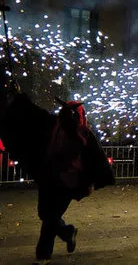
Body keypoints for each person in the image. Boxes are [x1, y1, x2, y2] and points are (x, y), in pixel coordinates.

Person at [2, 93, 115, 264]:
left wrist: (93, 182)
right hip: (49, 178)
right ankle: (67, 233)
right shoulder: (53, 124)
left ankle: (43, 256)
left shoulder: (84, 134)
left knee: (50, 216)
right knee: (46, 214)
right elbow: (34, 113)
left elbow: (96, 158)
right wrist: (19, 99)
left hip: (68, 183)